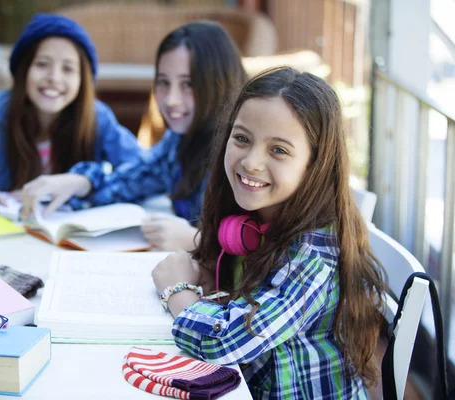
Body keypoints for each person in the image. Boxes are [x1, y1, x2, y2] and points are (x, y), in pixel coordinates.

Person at [151, 67, 386, 398]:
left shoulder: (313, 257)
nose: (251, 162)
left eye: (278, 150)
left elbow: (227, 342)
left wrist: (177, 291)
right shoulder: (253, 223)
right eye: (242, 139)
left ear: (314, 165)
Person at [56, 21, 247, 251]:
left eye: (188, 84)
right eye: (164, 82)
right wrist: (83, 181)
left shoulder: (242, 149)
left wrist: (198, 240)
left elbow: (267, 244)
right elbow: (129, 181)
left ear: (220, 83)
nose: (170, 100)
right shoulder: (178, 141)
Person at [0, 13, 143, 215]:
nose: (54, 78)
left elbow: (144, 173)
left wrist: (83, 181)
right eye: (42, 64)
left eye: (68, 69)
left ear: (83, 80)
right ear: (24, 69)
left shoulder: (98, 119)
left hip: (67, 238)